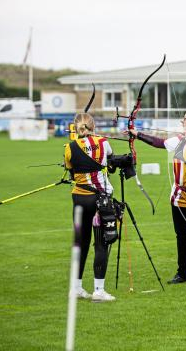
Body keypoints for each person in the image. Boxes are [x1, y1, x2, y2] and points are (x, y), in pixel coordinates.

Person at [129, 109, 186, 286]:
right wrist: (137, 134)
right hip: (179, 197)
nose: (182, 121)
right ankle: (182, 273)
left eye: (185, 119)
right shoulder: (179, 140)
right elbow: (159, 142)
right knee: (182, 236)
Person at [64, 113, 116, 302]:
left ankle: (76, 288)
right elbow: (110, 159)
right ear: (93, 126)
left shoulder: (69, 148)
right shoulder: (103, 142)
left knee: (81, 243)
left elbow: (70, 170)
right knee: (101, 242)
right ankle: (98, 290)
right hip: (99, 199)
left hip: (78, 199)